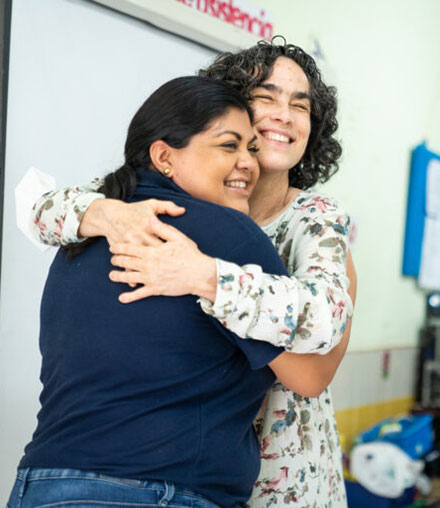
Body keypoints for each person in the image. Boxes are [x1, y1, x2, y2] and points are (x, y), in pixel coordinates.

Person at [29, 41, 356, 506]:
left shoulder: (314, 220)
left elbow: (321, 342)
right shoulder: (146, 207)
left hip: (282, 480)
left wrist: (206, 277)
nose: (284, 115)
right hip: (192, 476)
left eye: (299, 105)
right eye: (267, 98)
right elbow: (41, 211)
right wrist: (105, 214)